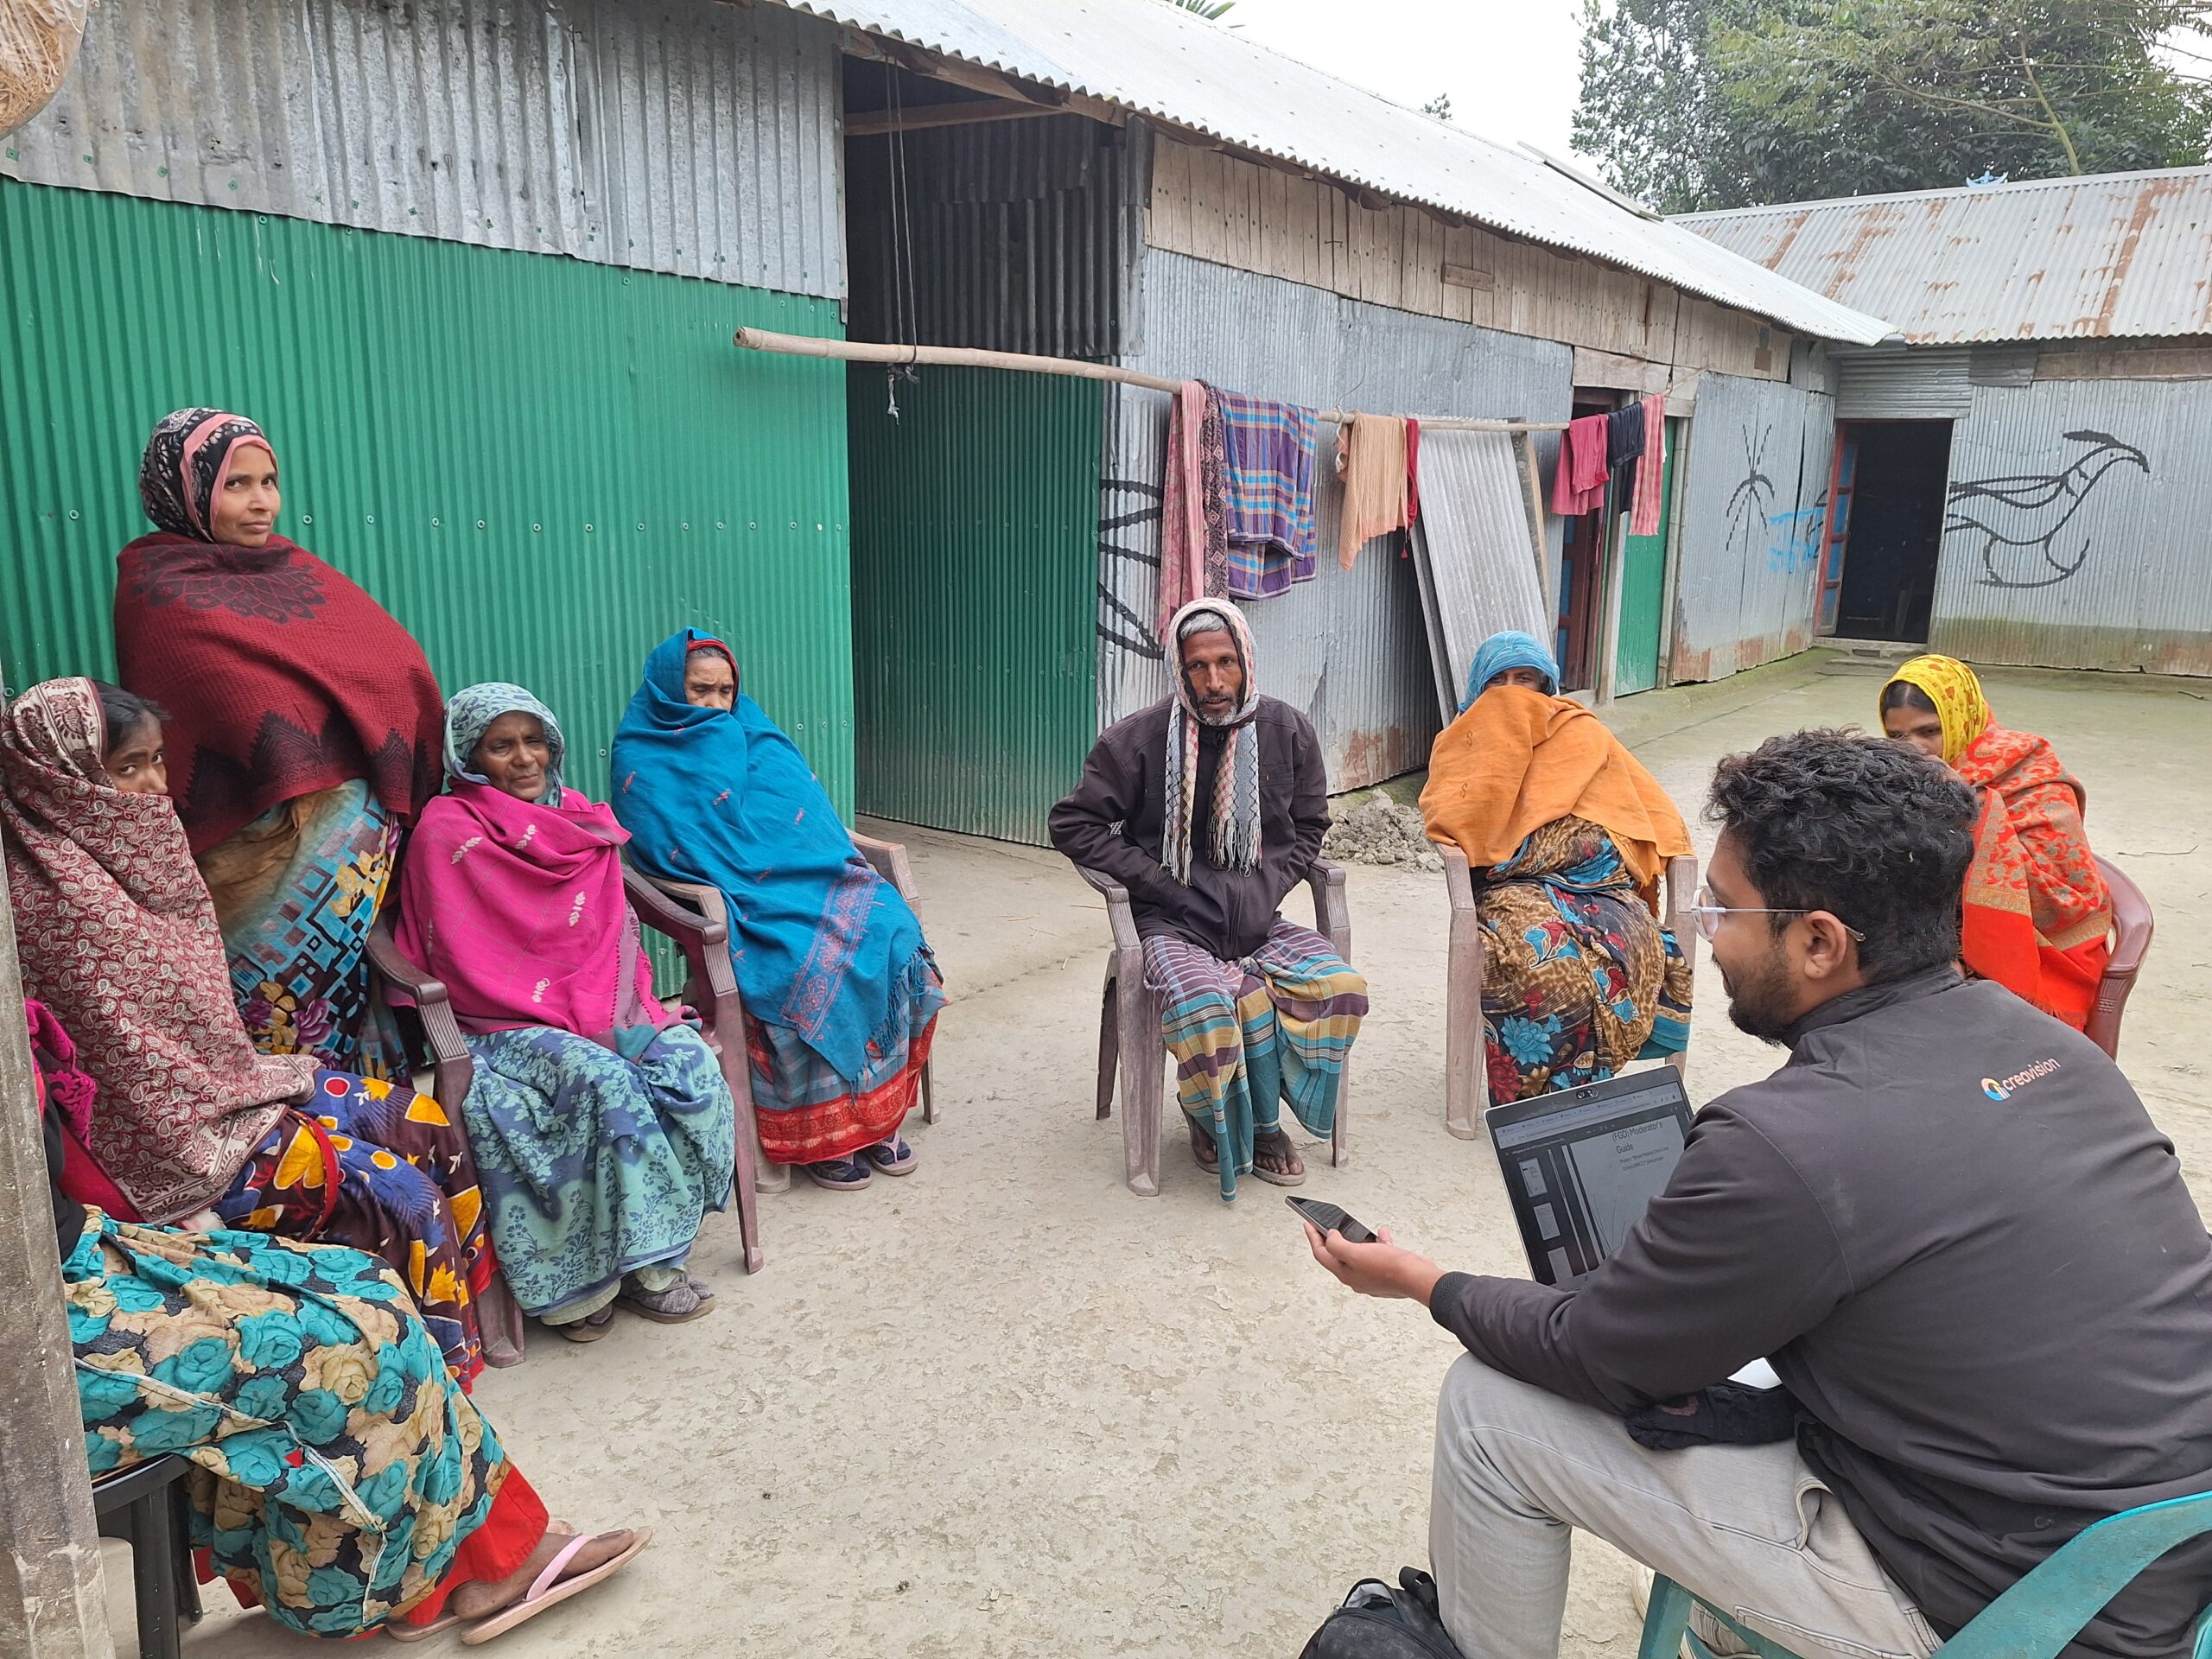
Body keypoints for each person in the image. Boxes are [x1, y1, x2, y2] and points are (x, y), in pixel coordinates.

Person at [1306, 731, 2212, 1659]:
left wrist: (1424, 1281)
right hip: (2167, 1567)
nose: (1707, 931)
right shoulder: (2056, 1049)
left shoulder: (1790, 1139)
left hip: (2020, 1618)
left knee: (1489, 1408)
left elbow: (1598, 1356)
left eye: (1725, 908)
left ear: (1818, 941)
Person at [30, 1001, 648, 1644]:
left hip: (77, 1248)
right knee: (355, 1344)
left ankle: (463, 1558)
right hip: (36, 1330)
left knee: (365, 1282)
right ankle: (426, 1584)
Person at [1, 677, 491, 1382]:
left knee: (422, 1119)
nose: (153, 788)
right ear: (57, 776)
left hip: (232, 1086)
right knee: (403, 1199)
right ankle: (436, 1380)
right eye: (127, 767)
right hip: (169, 1150)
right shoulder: (40, 895)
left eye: (157, 760)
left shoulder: (141, 852)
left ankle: (457, 1335)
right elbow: (120, 1073)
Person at [393, 683, 738, 1341]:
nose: (524, 759)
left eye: (534, 742)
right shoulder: (448, 829)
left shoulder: (578, 817)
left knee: (686, 1059)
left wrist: (608, 1015)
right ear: (469, 755)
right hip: (501, 1020)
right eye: (501, 746)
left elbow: (604, 932)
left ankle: (651, 1262)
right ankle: (584, 1291)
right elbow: (462, 950)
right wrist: (555, 1012)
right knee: (603, 1083)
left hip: (601, 1002)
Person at [114, 408, 446, 1075]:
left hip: (354, 875)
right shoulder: (158, 588)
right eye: (237, 484)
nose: (263, 501)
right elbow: (226, 715)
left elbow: (398, 668)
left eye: (270, 481)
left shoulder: (299, 571)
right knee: (273, 1041)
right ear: (183, 494)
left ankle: (360, 1155)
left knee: (349, 1028)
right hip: (250, 871)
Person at [1048, 598, 1367, 1199]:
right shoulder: (1137, 741)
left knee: (1339, 988)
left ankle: (1268, 1117)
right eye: (1198, 666)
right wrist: (1162, 884)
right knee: (1212, 1005)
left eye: (1226, 662)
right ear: (1178, 667)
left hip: (1258, 920)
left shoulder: (1287, 730)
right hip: (1172, 922)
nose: (1214, 682)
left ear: (1247, 661)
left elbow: (1309, 826)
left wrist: (1271, 885)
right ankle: (1219, 1118)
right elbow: (1073, 824)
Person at [609, 630, 944, 1191]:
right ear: (671, 688)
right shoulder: (642, 753)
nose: (717, 704)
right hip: (738, 899)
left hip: (812, 881)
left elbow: (808, 818)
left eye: (725, 691)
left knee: (891, 932)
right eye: (701, 691)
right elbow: (660, 848)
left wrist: (833, 874)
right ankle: (823, 1139)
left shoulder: (757, 734)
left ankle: (878, 1118)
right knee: (799, 964)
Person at [1419, 631, 1694, 1101]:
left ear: (1547, 685)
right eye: (1497, 682)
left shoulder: (1582, 732)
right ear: (1477, 692)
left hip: (1602, 887)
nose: (1512, 693)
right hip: (1515, 885)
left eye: (1524, 679)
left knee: (1636, 953)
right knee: (1542, 967)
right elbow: (1458, 822)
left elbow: (1645, 811)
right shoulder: (1464, 741)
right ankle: (1539, 1099)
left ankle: (1580, 1087)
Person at [1879, 653, 2113, 1029]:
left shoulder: (2035, 776)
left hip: (2043, 952)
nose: (1913, 750)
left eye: (1929, 731)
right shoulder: (1905, 781)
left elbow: (2063, 899)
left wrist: (1972, 810)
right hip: (1943, 934)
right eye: (1896, 736)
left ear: (1963, 720)